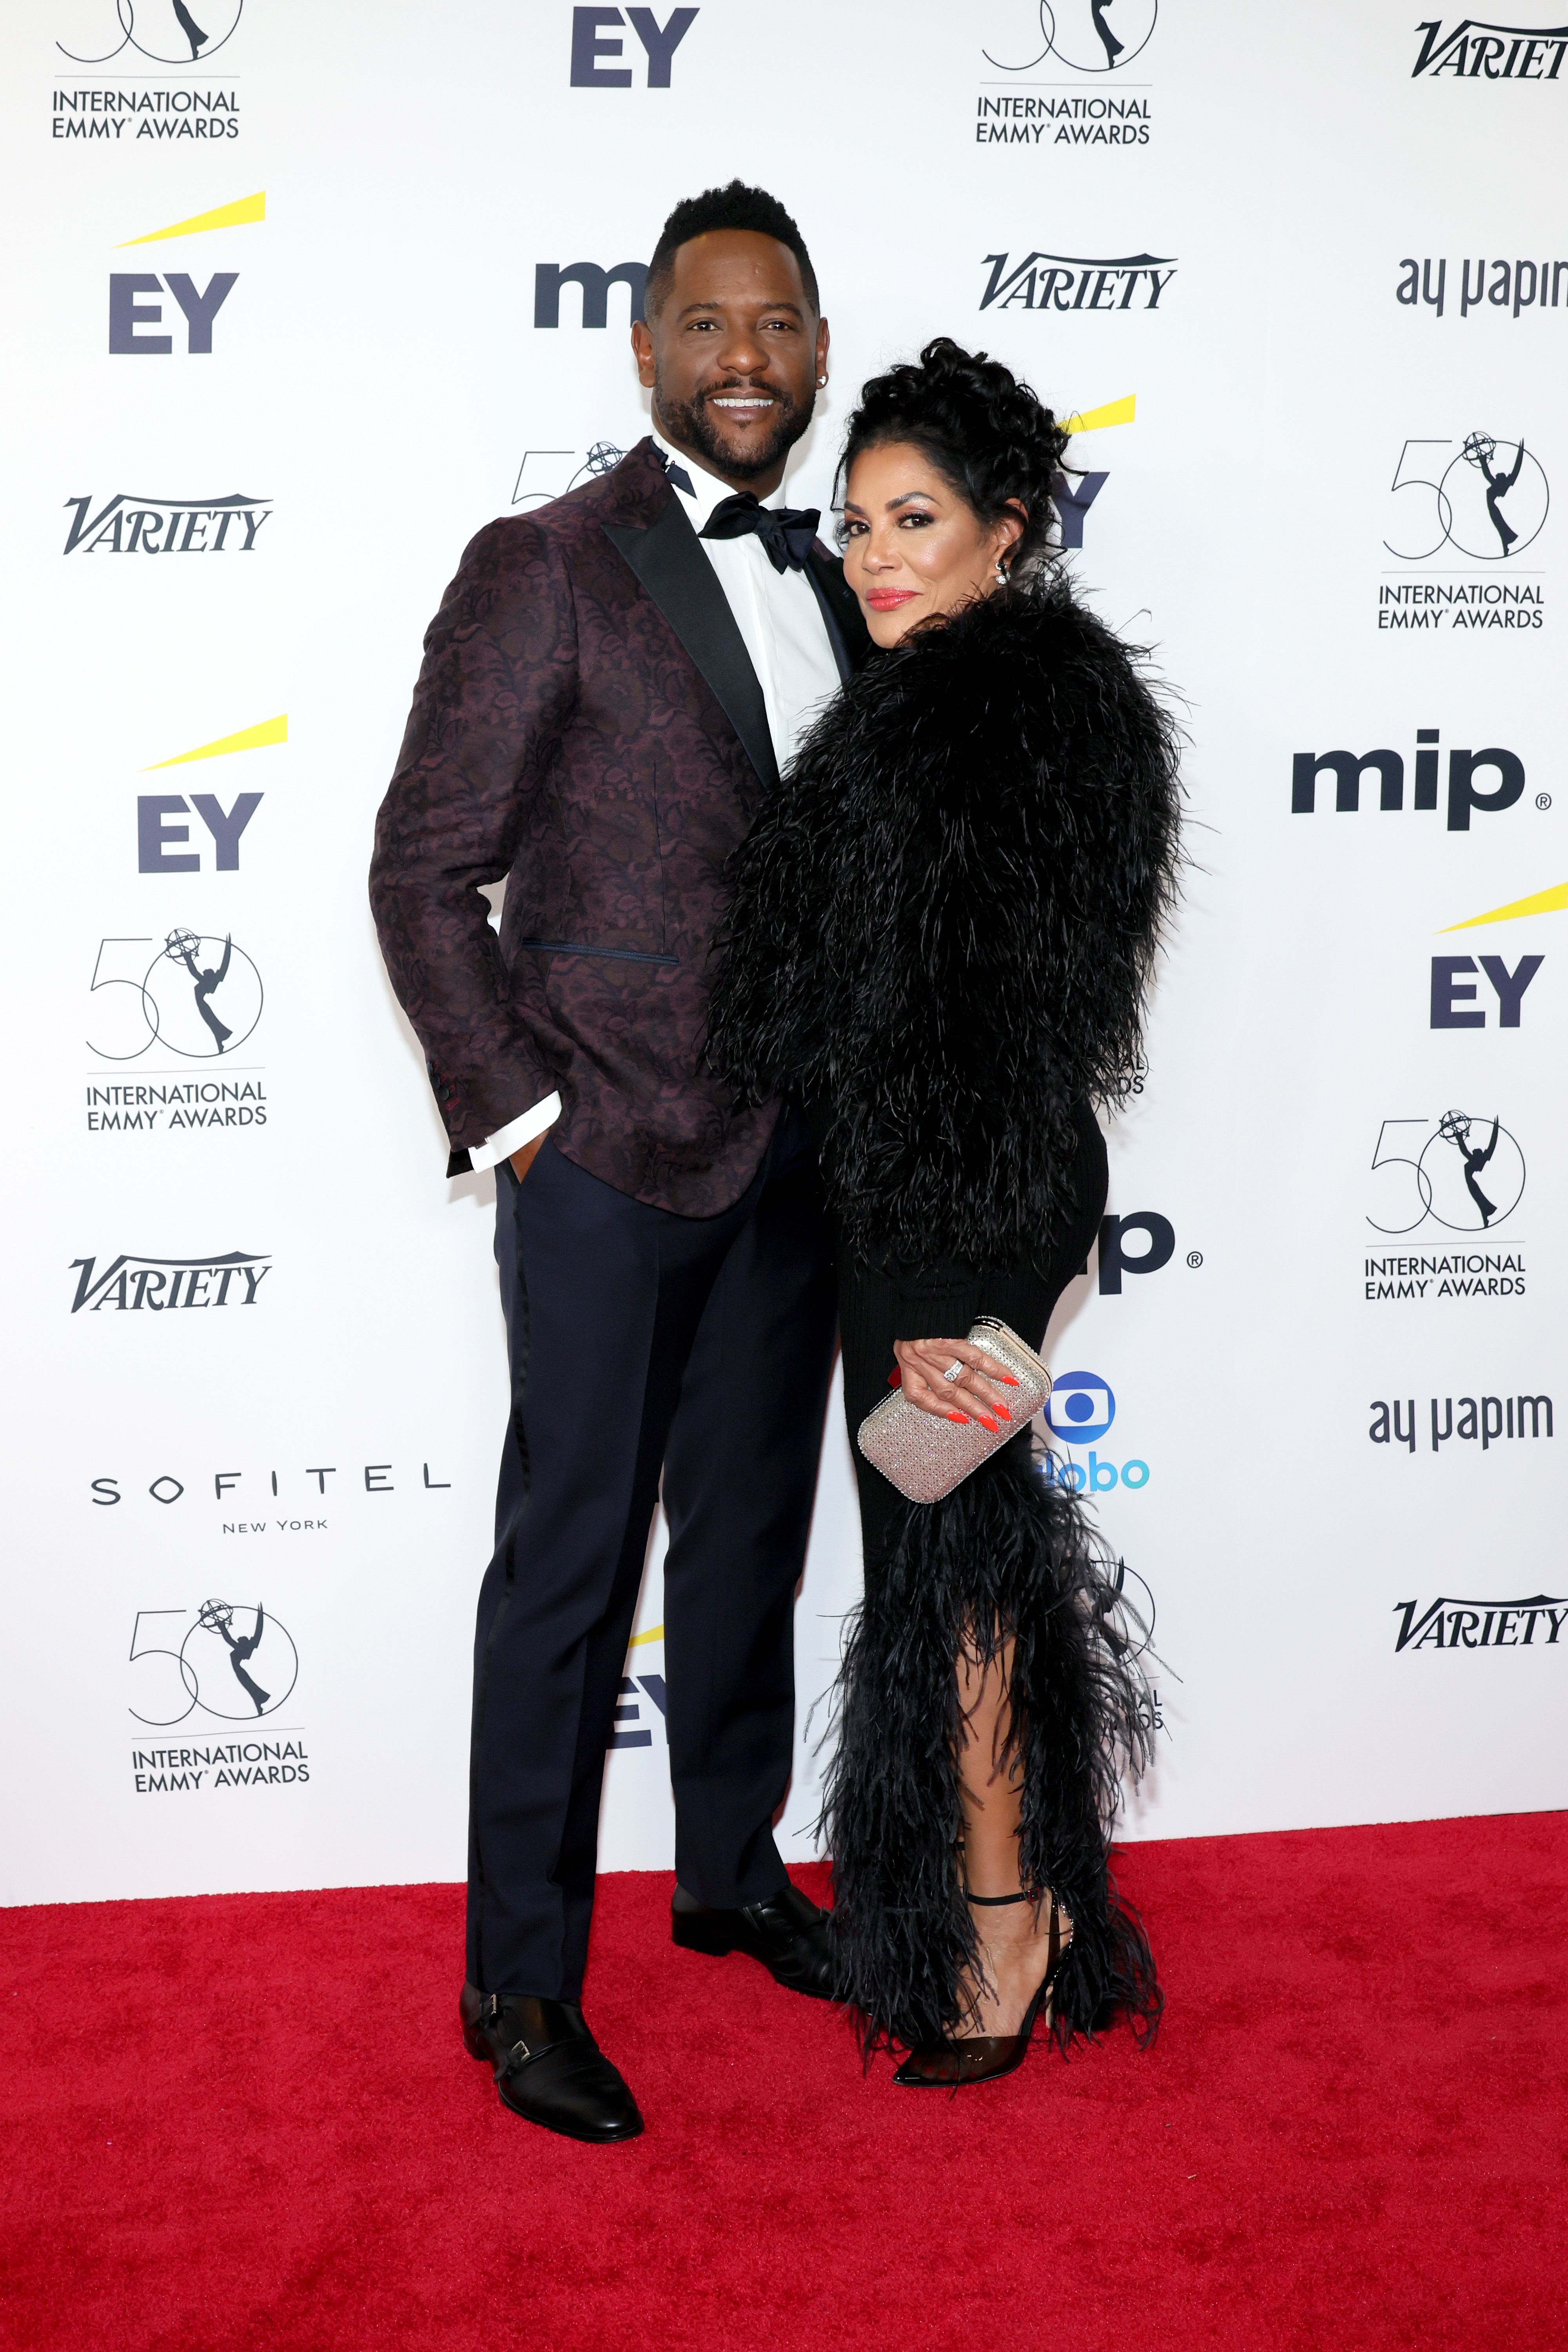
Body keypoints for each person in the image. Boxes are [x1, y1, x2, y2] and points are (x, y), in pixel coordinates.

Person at [370, 183, 868, 2144]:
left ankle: (730, 1874)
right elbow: (423, 870)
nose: (747, 356)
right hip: (600, 1154)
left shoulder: (846, 578)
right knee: (569, 1575)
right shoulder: (549, 563)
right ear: (646, 345)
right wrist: (524, 1122)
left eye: (779, 323)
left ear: (815, 351)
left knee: (749, 1544)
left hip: (794, 1152)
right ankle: (517, 1984)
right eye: (710, 323)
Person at [707, 339, 1180, 2085]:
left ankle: (1004, 1931)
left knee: (952, 1560)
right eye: (855, 524)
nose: (873, 556)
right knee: (952, 1550)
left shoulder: (1009, 714)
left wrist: (959, 1271)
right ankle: (1021, 1899)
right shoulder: (933, 706)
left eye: (915, 519)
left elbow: (980, 1011)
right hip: (930, 1188)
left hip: (967, 1196)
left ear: (1010, 525)